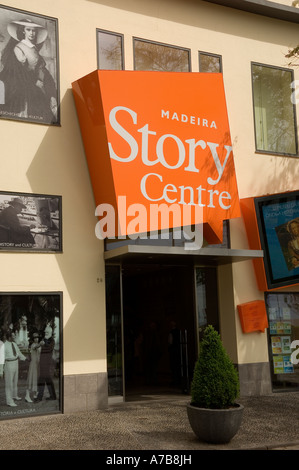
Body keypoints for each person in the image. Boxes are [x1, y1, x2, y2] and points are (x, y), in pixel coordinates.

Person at [0, 18, 57, 123]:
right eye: (28, 30)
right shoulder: (18, 48)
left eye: (33, 30)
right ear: (23, 31)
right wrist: (35, 82)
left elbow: (42, 71)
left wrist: (50, 91)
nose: (32, 33)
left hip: (34, 84)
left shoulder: (33, 48)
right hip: (21, 85)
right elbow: (18, 70)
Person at [4, 331, 28, 407]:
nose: (14, 337)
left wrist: (25, 358)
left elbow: (18, 353)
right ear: (8, 337)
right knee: (9, 383)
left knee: (15, 381)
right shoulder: (4, 346)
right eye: (12, 336)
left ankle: (14, 395)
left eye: (14, 336)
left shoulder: (14, 344)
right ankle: (9, 401)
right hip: (8, 364)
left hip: (15, 363)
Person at [35, 325, 57, 402]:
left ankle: (39, 397)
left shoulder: (52, 340)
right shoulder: (44, 339)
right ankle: (53, 396)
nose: (45, 333)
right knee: (48, 380)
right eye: (45, 332)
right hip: (43, 363)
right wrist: (40, 344)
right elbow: (39, 348)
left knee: (42, 379)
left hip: (47, 364)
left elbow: (50, 348)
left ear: (50, 332)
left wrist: (43, 344)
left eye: (47, 332)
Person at [25, 332, 41, 403]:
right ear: (33, 339)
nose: (36, 339)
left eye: (37, 337)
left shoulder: (39, 346)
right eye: (35, 338)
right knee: (31, 379)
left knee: (36, 379)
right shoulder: (33, 345)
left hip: (37, 365)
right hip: (33, 364)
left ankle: (35, 394)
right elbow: (35, 347)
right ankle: (27, 395)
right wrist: (40, 344)